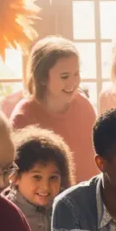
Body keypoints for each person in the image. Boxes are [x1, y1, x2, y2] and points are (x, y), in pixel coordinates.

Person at [10, 36, 97, 183]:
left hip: (88, 194)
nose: (73, 82)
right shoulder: (23, 117)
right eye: (64, 76)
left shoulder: (84, 106)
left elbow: (97, 153)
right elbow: (18, 173)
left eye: (76, 74)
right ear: (43, 77)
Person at [4, 127, 75, 231]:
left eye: (53, 177)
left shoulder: (67, 210)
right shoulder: (4, 213)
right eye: (37, 177)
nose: (45, 187)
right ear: (15, 176)